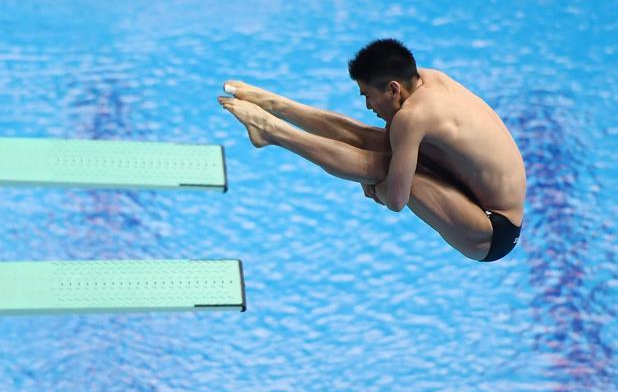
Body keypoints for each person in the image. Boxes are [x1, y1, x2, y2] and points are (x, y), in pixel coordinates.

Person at [217, 39, 525, 261]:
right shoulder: (428, 80)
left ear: (393, 88)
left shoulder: (413, 116)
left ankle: (272, 131)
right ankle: (275, 105)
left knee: (384, 169)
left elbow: (396, 199)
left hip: (491, 229)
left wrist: (376, 187)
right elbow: (371, 139)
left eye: (368, 95)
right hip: (475, 195)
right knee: (370, 140)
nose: (367, 105)